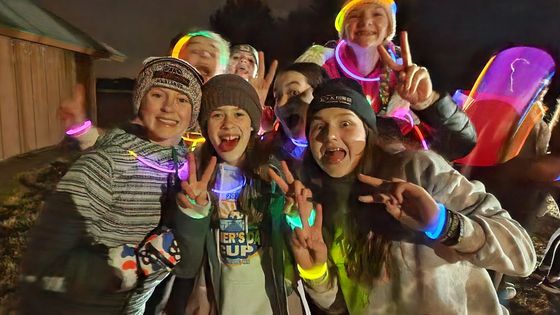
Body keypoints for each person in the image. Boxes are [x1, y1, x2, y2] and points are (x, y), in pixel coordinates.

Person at [269, 78, 536, 314]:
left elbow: (521, 255)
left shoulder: (420, 170)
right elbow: (343, 306)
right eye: (319, 128)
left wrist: (443, 224)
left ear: (368, 131)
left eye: (346, 123)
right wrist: (316, 272)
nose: (331, 136)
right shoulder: (318, 207)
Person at [19, 57, 209, 314]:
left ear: (193, 114)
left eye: (182, 100)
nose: (169, 108)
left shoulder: (183, 171)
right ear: (140, 100)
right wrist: (116, 270)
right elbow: (41, 264)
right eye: (157, 94)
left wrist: (194, 216)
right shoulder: (103, 165)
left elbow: (185, 266)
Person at [174, 74, 306, 314]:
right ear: (205, 126)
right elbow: (187, 264)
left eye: (238, 114)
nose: (227, 124)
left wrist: (297, 214)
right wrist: (193, 214)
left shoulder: (277, 177)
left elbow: (304, 243)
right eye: (217, 115)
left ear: (252, 124)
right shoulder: (195, 181)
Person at [316, 0, 476, 161]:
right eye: (355, 15)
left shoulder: (410, 76)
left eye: (377, 14)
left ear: (389, 28)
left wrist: (429, 103)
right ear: (342, 29)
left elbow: (461, 144)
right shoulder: (316, 74)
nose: (365, 22)